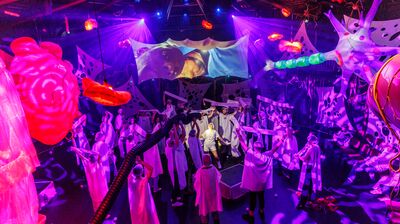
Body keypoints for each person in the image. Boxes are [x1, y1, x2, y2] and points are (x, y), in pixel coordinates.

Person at [238, 129, 283, 223]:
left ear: (254, 147)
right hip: (261, 184)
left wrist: (238, 133)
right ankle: (261, 212)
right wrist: (282, 140)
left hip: (253, 184)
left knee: (252, 198)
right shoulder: (266, 155)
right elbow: (275, 148)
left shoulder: (251, 153)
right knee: (261, 197)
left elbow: (242, 143)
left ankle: (251, 216)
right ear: (262, 148)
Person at [70, 146, 108, 211]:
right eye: (91, 157)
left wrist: (89, 151)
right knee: (98, 200)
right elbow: (82, 157)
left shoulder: (98, 163)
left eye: (93, 156)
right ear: (90, 158)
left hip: (100, 186)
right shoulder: (88, 164)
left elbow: (99, 154)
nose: (92, 157)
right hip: (95, 187)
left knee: (102, 198)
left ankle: (104, 211)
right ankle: (99, 212)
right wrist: (76, 150)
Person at [128, 157, 160, 224]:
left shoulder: (130, 181)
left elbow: (127, 172)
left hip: (135, 208)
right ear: (142, 171)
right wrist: (141, 162)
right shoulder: (144, 181)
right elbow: (151, 169)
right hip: (145, 207)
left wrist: (132, 162)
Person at [295, 133, 322, 209]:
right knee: (311, 185)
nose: (307, 142)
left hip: (309, 168)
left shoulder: (311, 148)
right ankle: (310, 200)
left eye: (308, 140)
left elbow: (304, 158)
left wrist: (298, 156)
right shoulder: (317, 147)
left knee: (305, 186)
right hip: (314, 168)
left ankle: (302, 203)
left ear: (311, 141)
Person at [194, 154, 223, 224]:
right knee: (214, 210)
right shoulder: (213, 169)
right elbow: (219, 178)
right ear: (210, 161)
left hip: (204, 197)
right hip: (213, 194)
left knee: (204, 211)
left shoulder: (200, 171)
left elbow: (196, 185)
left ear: (203, 161)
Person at [165, 126, 188, 206]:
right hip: (174, 167)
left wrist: (181, 126)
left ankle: (176, 198)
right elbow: (176, 142)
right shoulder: (169, 141)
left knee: (177, 183)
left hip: (178, 166)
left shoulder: (176, 141)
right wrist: (174, 129)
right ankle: (174, 201)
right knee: (174, 184)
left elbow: (183, 135)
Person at [143, 117, 163, 192]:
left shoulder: (144, 145)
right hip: (153, 163)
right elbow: (155, 133)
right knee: (155, 176)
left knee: (150, 176)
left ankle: (150, 187)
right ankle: (155, 188)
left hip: (148, 164)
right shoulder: (152, 144)